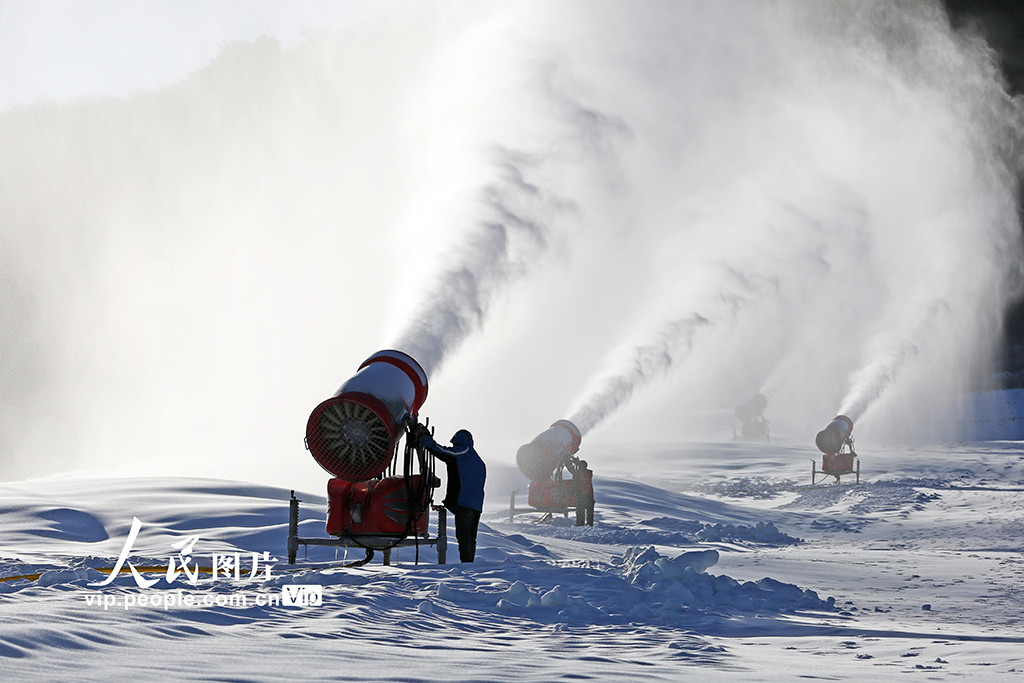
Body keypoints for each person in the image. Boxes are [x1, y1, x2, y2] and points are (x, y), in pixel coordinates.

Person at [418, 428, 486, 562]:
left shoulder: (463, 452)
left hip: (465, 503)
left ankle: (466, 564)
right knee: (470, 537)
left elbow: (444, 452)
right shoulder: (477, 461)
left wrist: (426, 441)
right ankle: (469, 563)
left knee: (463, 536)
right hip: (476, 505)